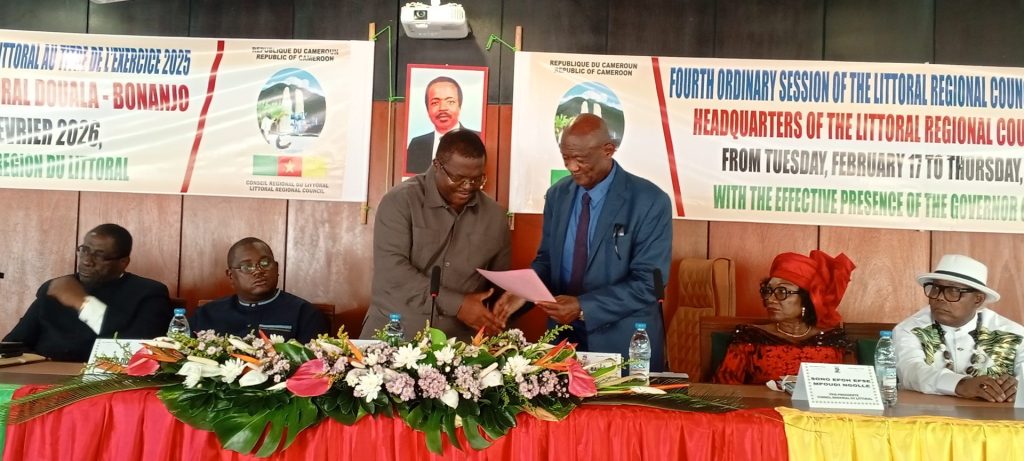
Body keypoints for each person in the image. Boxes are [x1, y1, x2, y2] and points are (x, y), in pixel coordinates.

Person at [495, 114, 672, 370]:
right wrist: (525, 291)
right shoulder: (558, 195)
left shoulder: (649, 201)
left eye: (580, 159)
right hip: (562, 343)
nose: (572, 167)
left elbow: (648, 284)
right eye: (565, 157)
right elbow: (547, 261)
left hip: (622, 344)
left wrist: (583, 307)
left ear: (608, 150)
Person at [362, 129, 510, 340]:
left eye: (477, 179)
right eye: (458, 178)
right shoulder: (400, 201)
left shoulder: (495, 216)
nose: (468, 187)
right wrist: (458, 305)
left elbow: (500, 284)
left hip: (459, 344)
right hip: (395, 335)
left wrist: (503, 308)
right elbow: (392, 272)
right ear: (437, 165)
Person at [4, 224, 172, 362]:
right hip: (42, 375)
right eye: (84, 250)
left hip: (100, 383)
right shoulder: (56, 287)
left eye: (99, 255)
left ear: (123, 262)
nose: (86, 261)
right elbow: (14, 343)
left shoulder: (148, 293)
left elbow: (136, 351)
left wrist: (83, 303)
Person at [712, 250, 856, 384]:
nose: (770, 299)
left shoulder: (833, 342)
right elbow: (723, 389)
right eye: (768, 291)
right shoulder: (749, 337)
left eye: (782, 291)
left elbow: (853, 389)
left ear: (808, 299)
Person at [894, 254, 1024, 402]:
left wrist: (1017, 386)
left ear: (978, 299)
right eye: (935, 288)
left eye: (953, 291)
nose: (939, 297)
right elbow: (911, 371)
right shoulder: (910, 329)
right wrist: (961, 385)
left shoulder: (1013, 333)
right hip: (927, 414)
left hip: (996, 415)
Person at [190, 238, 329, 343]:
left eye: (265, 263)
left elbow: (313, 367)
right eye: (246, 267)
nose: (258, 271)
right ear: (231, 276)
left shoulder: (305, 314)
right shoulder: (206, 314)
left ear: (276, 268)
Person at [406, 76, 479, 174]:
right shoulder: (416, 144)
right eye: (435, 103)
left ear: (459, 106)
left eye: (450, 102)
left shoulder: (477, 139)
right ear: (427, 109)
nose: (443, 108)